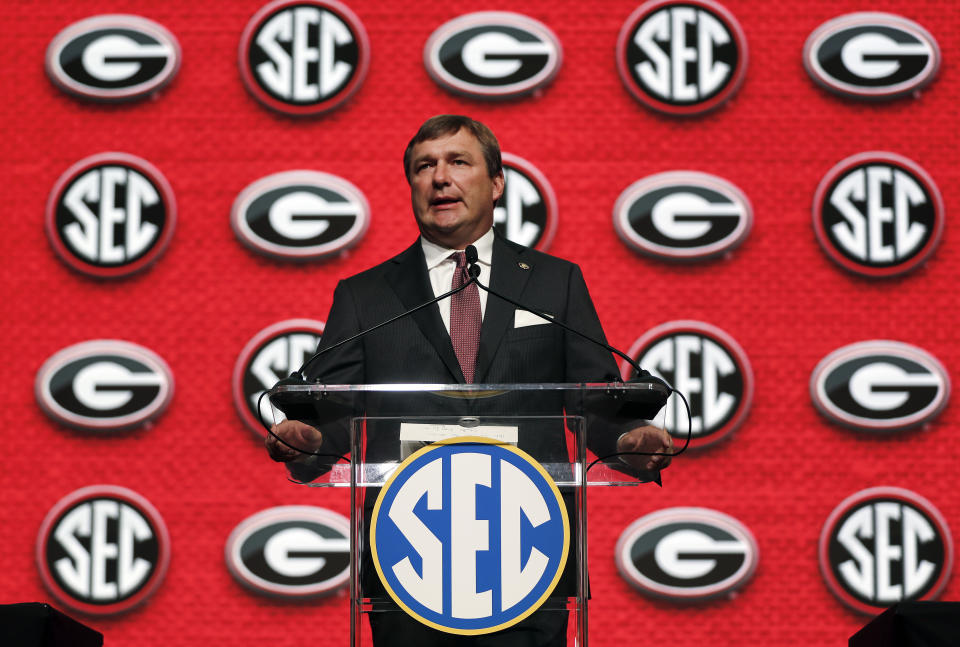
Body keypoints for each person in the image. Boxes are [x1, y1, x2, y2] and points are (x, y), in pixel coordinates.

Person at [266, 115, 673, 646]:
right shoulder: (365, 295)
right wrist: (309, 442)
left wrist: (626, 441)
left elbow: (591, 401)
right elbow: (338, 415)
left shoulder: (555, 283)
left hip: (532, 554)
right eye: (424, 167)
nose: (440, 178)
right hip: (407, 558)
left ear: (497, 182)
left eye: (458, 162)